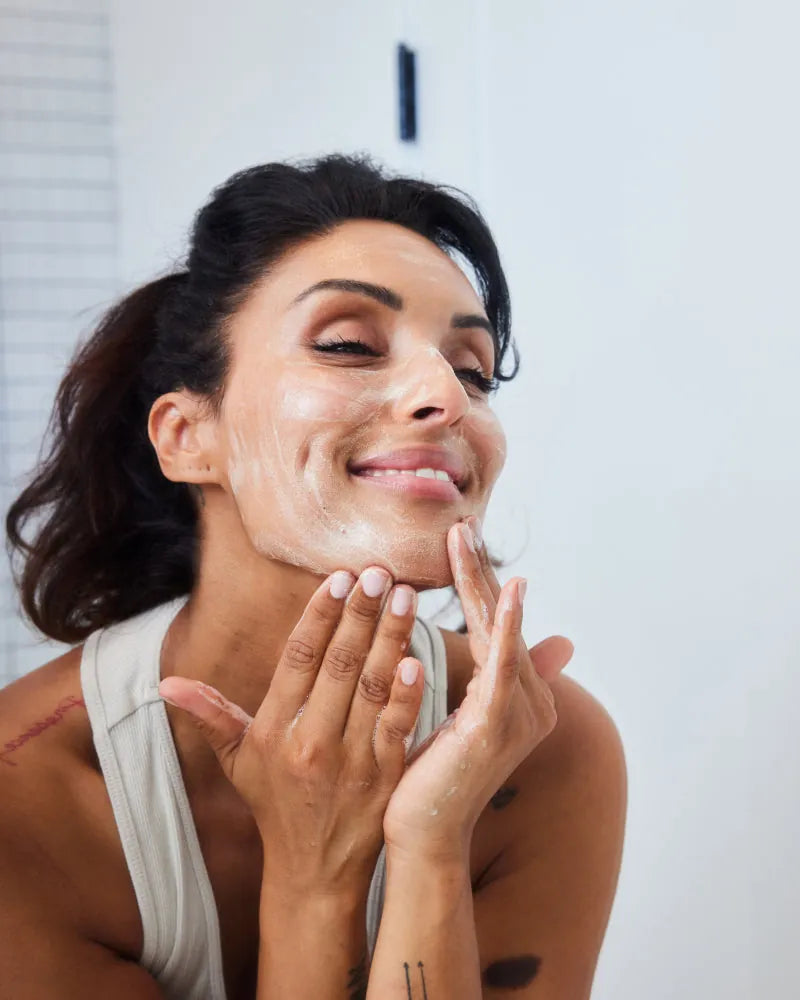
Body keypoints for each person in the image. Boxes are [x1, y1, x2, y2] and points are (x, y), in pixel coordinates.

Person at [0, 153, 627, 999]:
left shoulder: (545, 753)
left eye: (472, 369)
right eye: (347, 344)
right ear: (189, 435)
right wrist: (314, 881)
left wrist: (431, 845)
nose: (446, 394)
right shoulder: (26, 796)